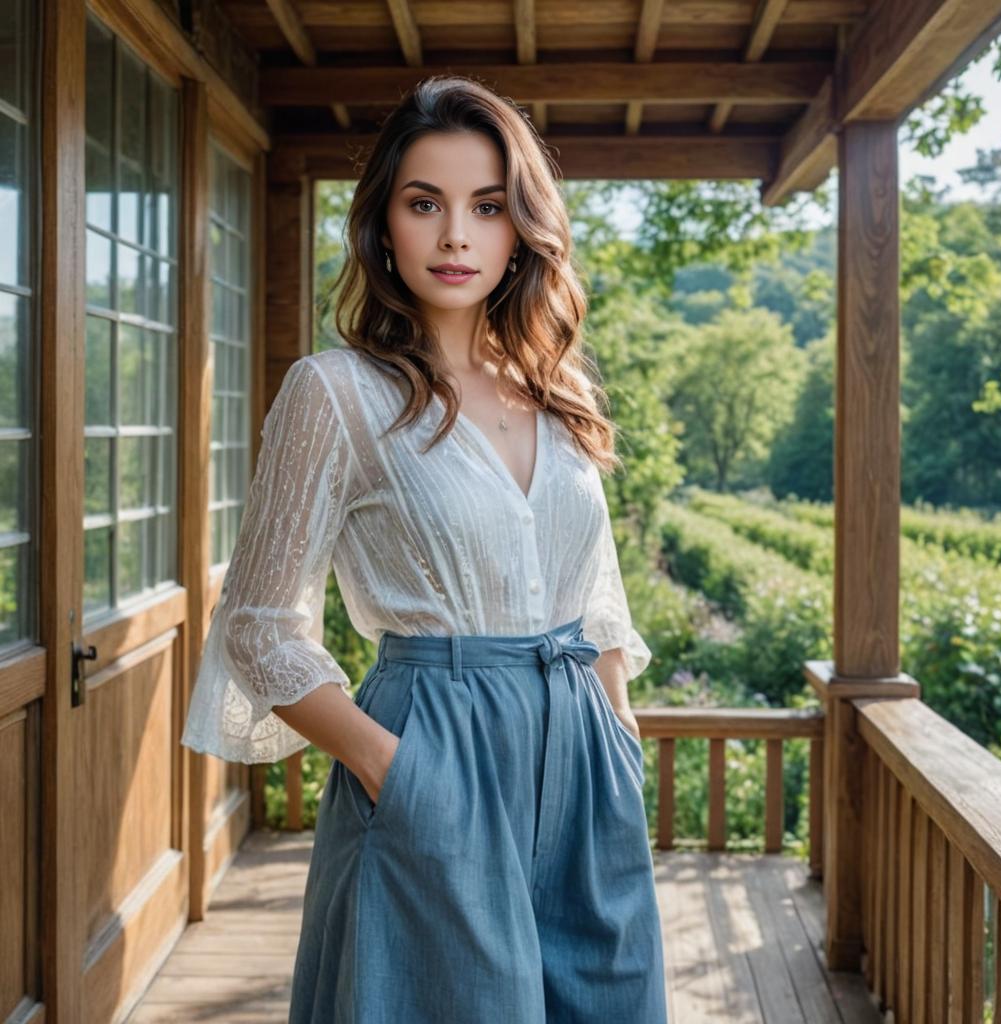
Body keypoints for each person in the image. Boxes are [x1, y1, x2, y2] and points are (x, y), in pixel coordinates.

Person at [181, 73, 668, 1023]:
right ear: (384, 226)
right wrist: (391, 769)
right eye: (424, 203)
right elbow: (257, 626)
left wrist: (616, 726)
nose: (456, 236)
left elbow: (595, 591)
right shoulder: (336, 394)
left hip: (582, 763)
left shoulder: (557, 393)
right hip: (433, 747)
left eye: (487, 206)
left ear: (521, 225)